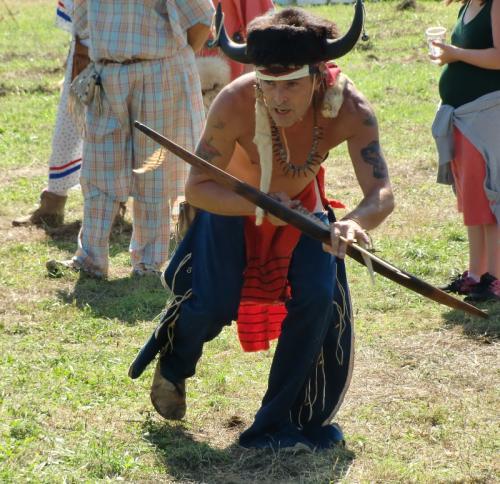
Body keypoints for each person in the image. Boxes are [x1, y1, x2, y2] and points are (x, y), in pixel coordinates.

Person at [129, 3, 394, 451]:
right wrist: (255, 208)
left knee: (317, 299)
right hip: (230, 209)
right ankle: (174, 363)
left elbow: (381, 192)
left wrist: (350, 225)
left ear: (319, 73)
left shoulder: (348, 106)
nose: (279, 98)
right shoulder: (235, 100)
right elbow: (197, 188)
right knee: (212, 303)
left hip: (304, 214)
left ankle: (278, 424)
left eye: (292, 83)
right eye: (269, 84)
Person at [46, 0, 215, 279]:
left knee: (154, 171)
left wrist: (169, 58)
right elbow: (83, 24)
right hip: (107, 73)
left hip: (160, 73)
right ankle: (90, 258)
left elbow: (201, 20)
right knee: (99, 166)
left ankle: (148, 263)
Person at [431, 0, 500, 301]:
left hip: (485, 114)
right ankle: (475, 274)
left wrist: (455, 54)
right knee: (472, 198)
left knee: (490, 198)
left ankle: (495, 279)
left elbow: (499, 57)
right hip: (462, 116)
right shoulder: (469, 4)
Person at [13, 0, 88, 228]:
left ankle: (115, 207)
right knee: (70, 124)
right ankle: (53, 203)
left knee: (117, 134)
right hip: (85, 51)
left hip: (128, 52)